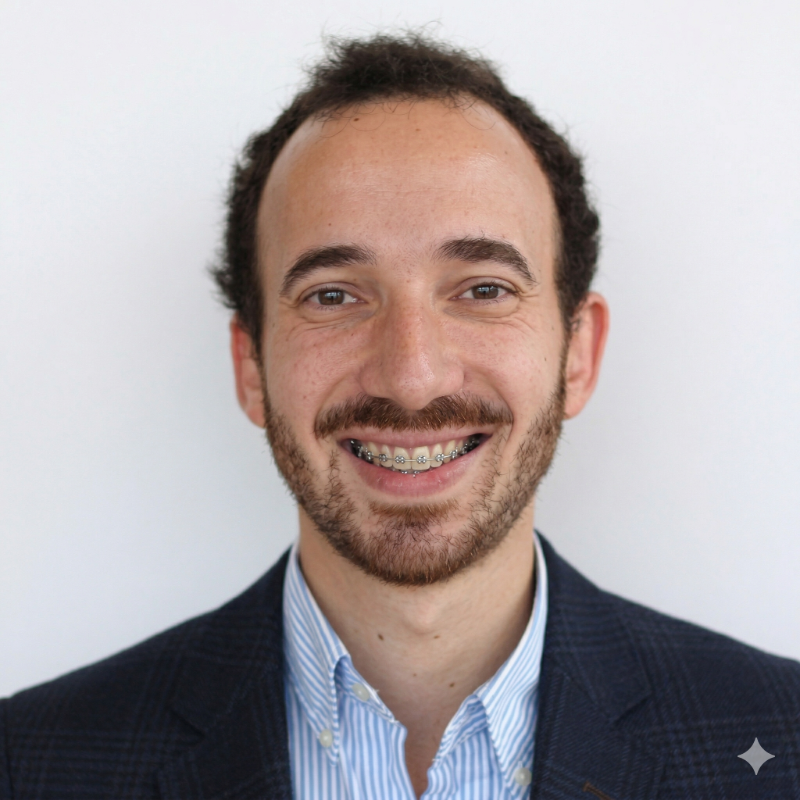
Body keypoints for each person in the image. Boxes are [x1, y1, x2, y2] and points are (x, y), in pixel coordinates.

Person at [1, 32, 798, 800]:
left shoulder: (781, 743)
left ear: (577, 356)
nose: (412, 379)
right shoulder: (31, 765)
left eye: (483, 289)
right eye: (333, 295)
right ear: (251, 367)